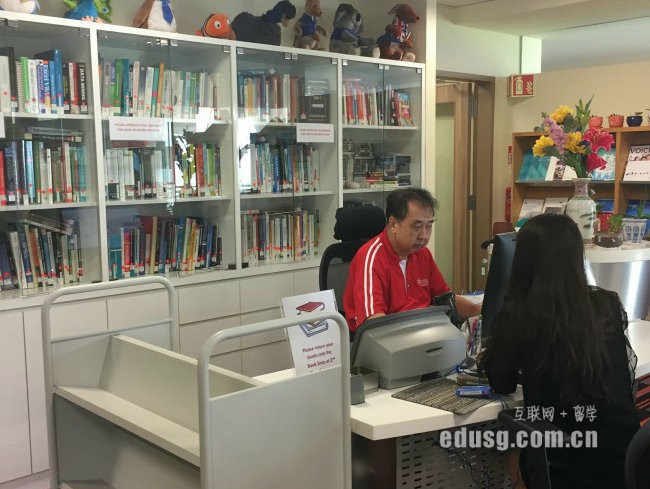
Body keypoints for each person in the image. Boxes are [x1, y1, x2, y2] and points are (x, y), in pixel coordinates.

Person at [478, 213, 639, 489]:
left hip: (564, 467)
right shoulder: (606, 304)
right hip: (625, 462)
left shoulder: (520, 312)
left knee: (512, 448)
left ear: (524, 260)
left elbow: (501, 382)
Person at [343, 187, 481, 333]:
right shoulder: (371, 258)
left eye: (429, 226)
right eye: (417, 227)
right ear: (393, 224)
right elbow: (374, 324)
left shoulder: (422, 254)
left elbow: (446, 298)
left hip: (423, 331)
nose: (424, 236)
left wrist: (480, 311)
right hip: (388, 337)